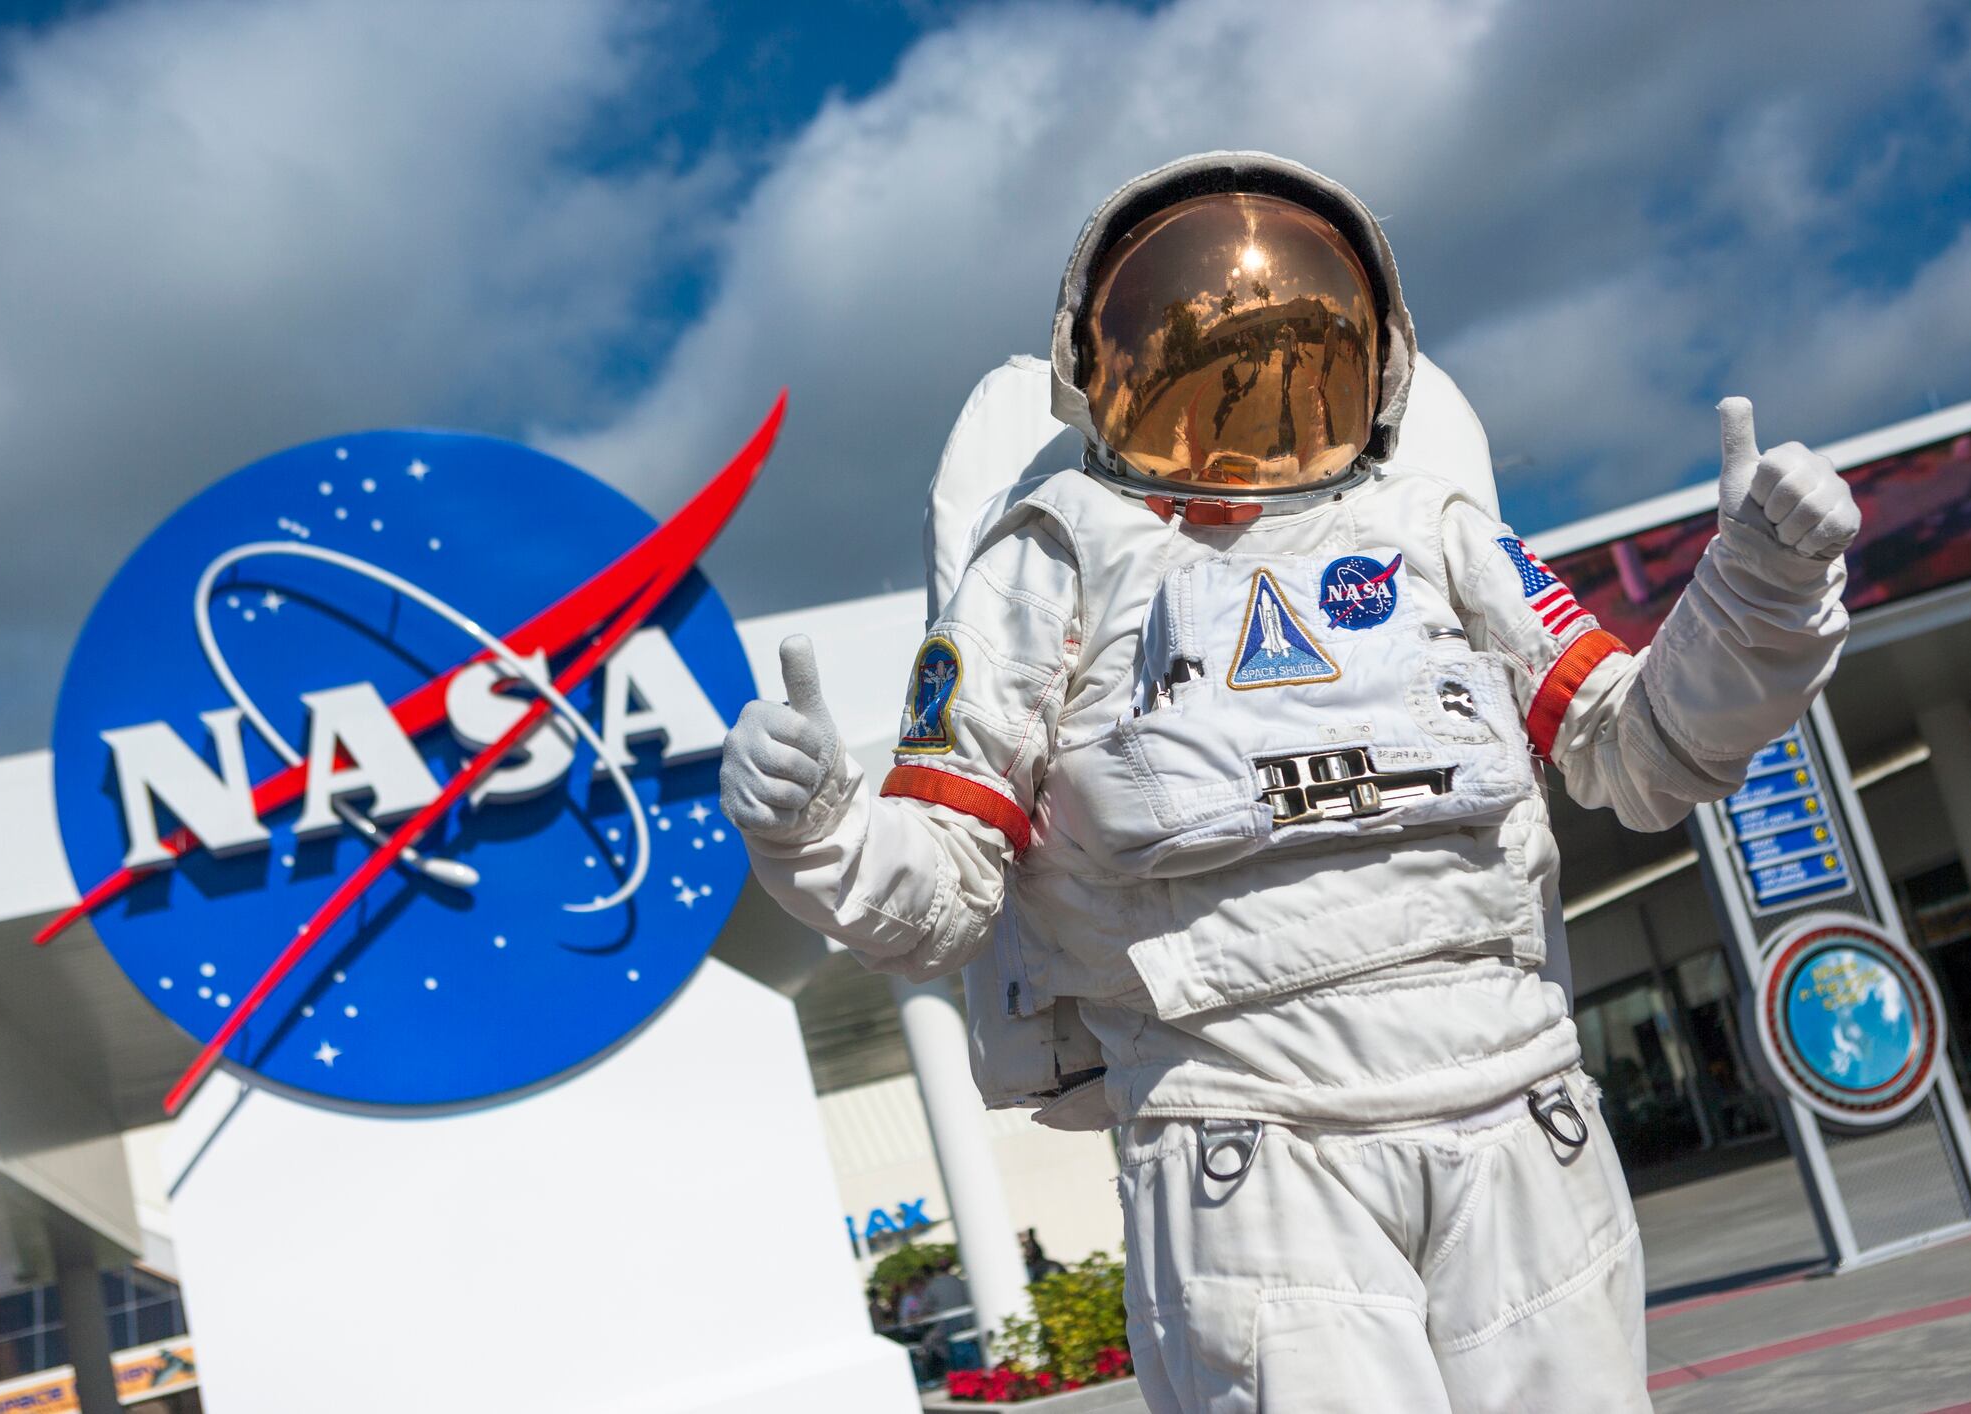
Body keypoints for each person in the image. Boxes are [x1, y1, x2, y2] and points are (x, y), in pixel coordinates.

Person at [721, 152, 1858, 1411]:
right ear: (1098, 376)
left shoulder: (1436, 531)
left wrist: (1761, 592)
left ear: (1375, 362)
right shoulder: (1055, 559)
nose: (1247, 391)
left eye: (1296, 348)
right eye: (1193, 350)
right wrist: (818, 825)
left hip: (1518, 1112)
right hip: (1248, 1137)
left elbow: (1640, 748)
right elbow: (937, 888)